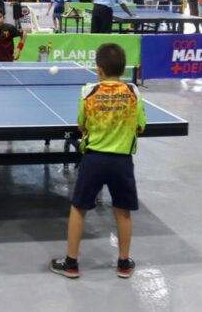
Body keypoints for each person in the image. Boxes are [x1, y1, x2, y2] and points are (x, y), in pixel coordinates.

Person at [50, 43, 146, 280]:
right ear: (123, 70)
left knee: (78, 208)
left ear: (99, 70)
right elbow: (140, 127)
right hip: (122, 161)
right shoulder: (134, 93)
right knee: (123, 211)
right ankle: (124, 263)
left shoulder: (88, 93)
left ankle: (71, 263)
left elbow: (81, 125)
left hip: (94, 159)